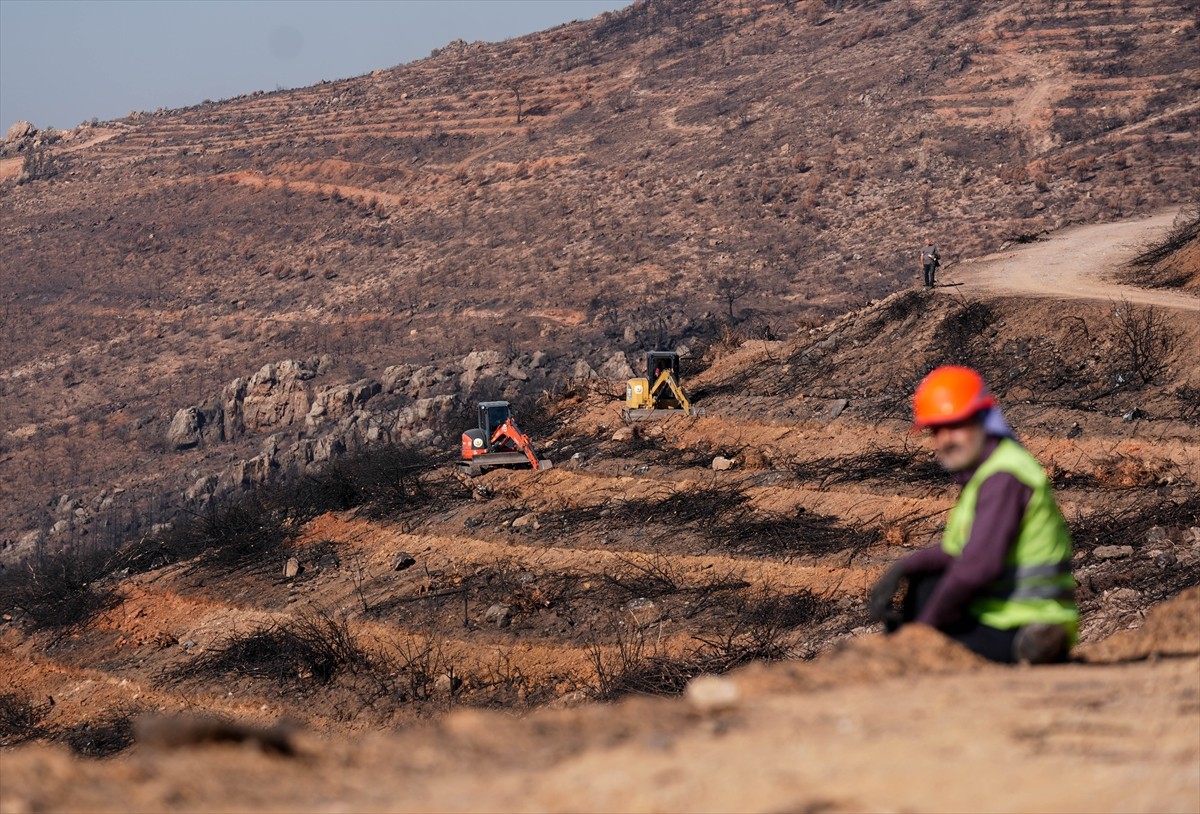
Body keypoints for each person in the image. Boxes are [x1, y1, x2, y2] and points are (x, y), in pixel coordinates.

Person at [868, 365, 1077, 664]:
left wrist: (922, 636)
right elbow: (958, 552)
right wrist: (905, 567)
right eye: (936, 430)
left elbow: (977, 567)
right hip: (1005, 611)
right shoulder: (987, 473)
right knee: (927, 581)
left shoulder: (1003, 476)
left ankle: (1030, 646)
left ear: (982, 420)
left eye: (955, 426)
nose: (945, 440)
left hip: (1023, 619)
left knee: (932, 595)